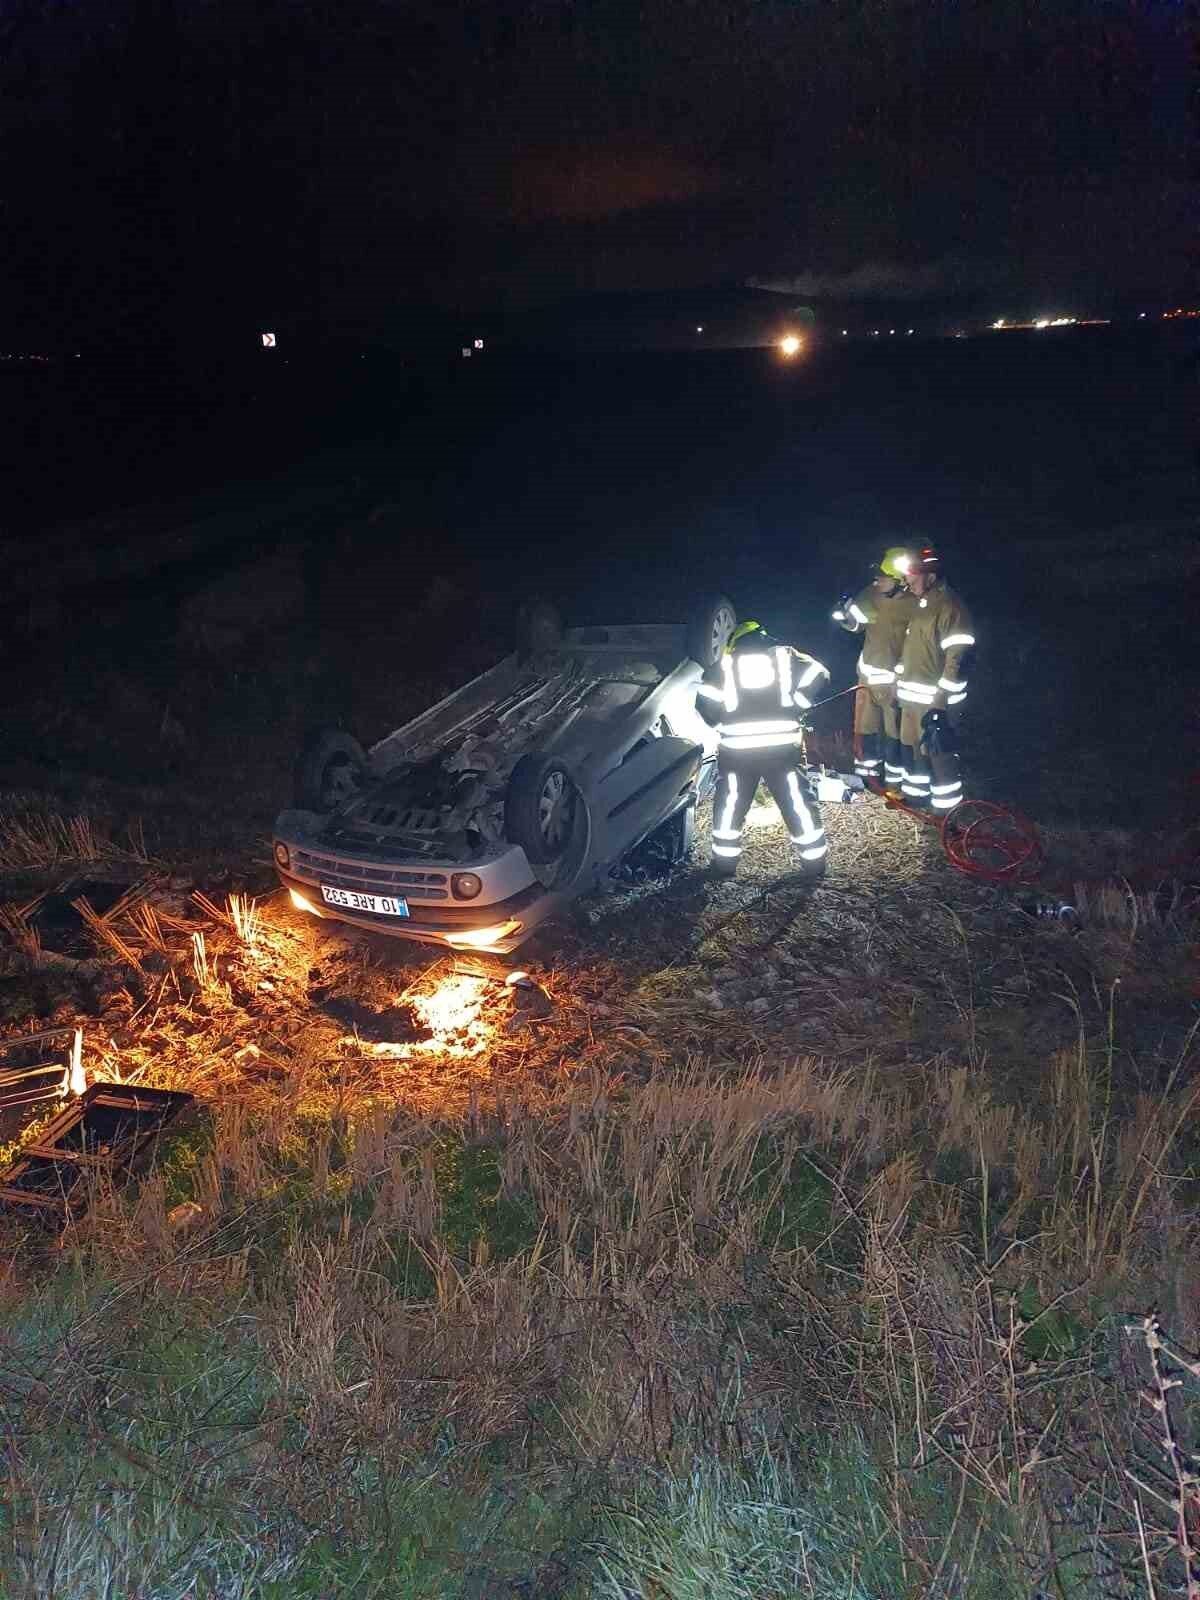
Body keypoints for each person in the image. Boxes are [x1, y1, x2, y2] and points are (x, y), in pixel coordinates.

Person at [696, 621, 830, 878]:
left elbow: (705, 703)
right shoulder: (785, 655)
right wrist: (798, 702)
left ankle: (724, 865)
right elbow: (819, 671)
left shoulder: (723, 665)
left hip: (737, 751)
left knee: (731, 805)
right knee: (796, 801)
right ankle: (814, 863)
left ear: (735, 642)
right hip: (781, 749)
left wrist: (719, 719)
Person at [894, 546, 975, 811]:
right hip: (911, 699)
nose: (906, 581)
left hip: (935, 701)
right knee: (913, 750)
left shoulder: (950, 606)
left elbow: (957, 659)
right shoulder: (921, 604)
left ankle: (948, 813)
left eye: (911, 575)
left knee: (939, 755)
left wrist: (940, 701)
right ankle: (917, 799)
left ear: (930, 575)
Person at [832, 546, 918, 789]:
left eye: (883, 576)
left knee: (894, 734)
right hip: (866, 677)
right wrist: (845, 615)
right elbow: (857, 625)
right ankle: (867, 780)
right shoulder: (870, 594)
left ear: (900, 581)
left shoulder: (915, 605)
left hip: (893, 681)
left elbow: (919, 644)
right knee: (865, 730)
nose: (877, 580)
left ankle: (894, 783)